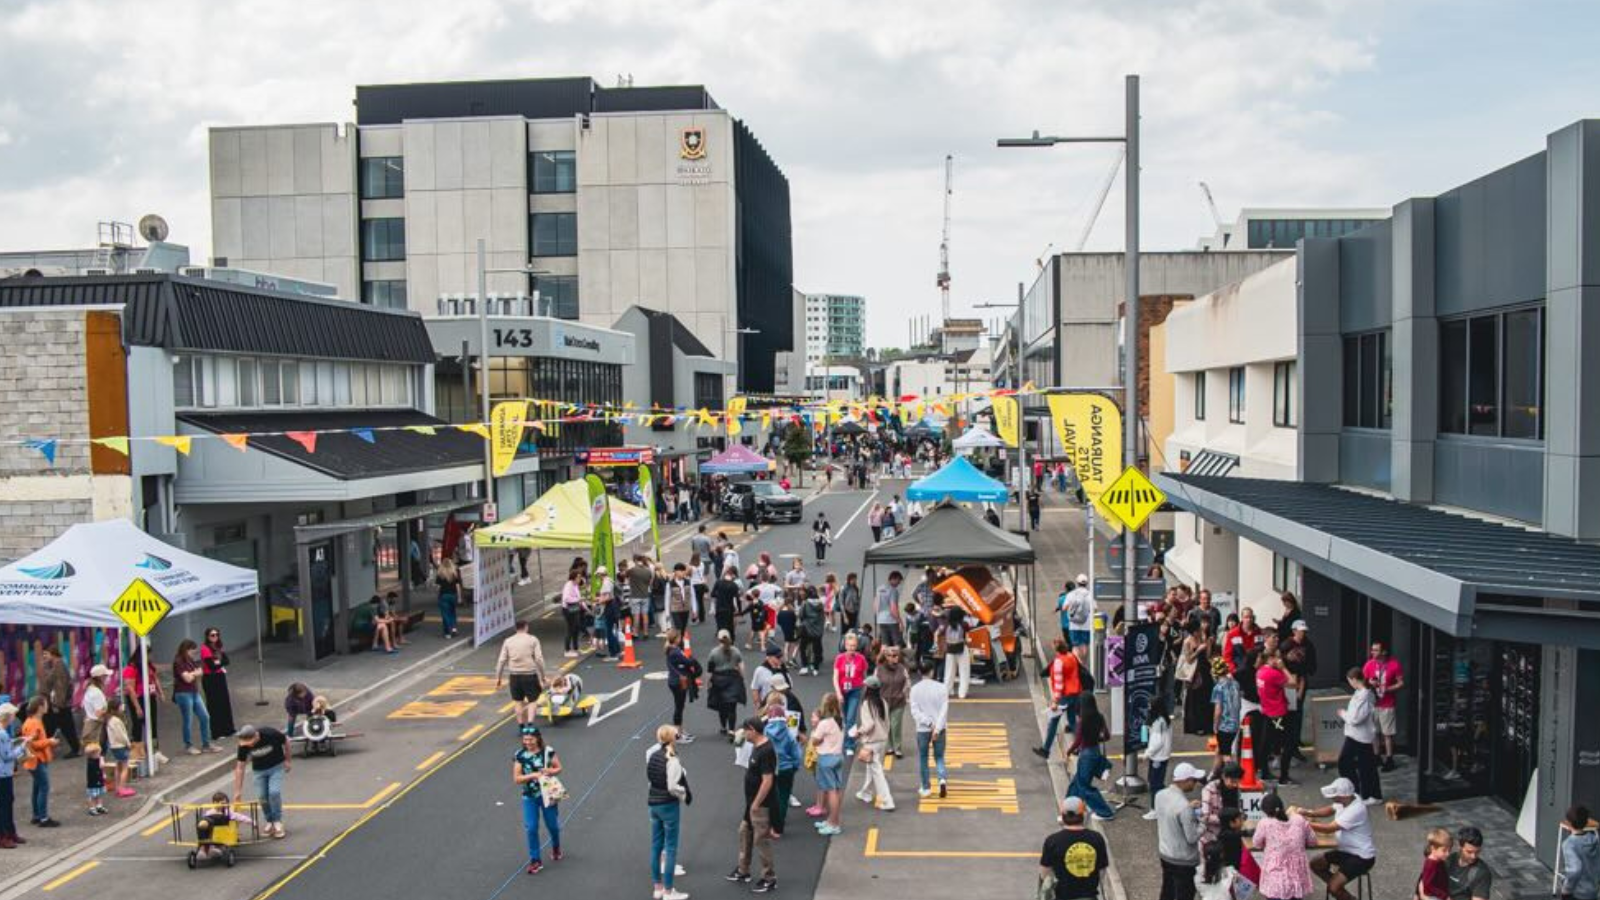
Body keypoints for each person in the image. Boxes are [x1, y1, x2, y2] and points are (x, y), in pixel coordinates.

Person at [1304, 777, 1378, 900]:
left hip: (1361, 857)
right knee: (1315, 864)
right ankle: (1341, 893)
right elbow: (1329, 809)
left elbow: (1329, 828)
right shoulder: (1347, 799)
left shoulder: (1356, 809)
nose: (1333, 798)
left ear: (1344, 796)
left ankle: (1341, 892)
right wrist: (1309, 813)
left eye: (1335, 796)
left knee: (1334, 887)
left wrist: (1304, 823)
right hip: (1346, 851)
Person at [728, 716, 777, 893]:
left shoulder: (765, 751)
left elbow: (768, 780)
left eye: (745, 730)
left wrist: (756, 803)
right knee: (744, 832)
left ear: (753, 730)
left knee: (761, 840)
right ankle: (743, 870)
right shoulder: (757, 747)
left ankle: (769, 878)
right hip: (751, 803)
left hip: (760, 805)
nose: (744, 733)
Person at [647, 725, 692, 900]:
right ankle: (668, 891)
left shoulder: (653, 756)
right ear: (673, 739)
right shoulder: (672, 759)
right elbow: (673, 786)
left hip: (653, 803)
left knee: (656, 846)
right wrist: (684, 793)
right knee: (671, 848)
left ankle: (657, 888)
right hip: (668, 805)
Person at [513, 726, 563, 874]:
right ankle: (535, 860)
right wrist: (533, 775)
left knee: (552, 825)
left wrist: (549, 771)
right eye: (525, 739)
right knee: (531, 827)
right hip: (529, 796)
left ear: (538, 738)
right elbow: (516, 779)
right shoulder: (519, 755)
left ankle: (556, 847)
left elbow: (559, 768)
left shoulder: (548, 752)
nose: (527, 742)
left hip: (547, 793)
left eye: (530, 739)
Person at [1039, 796, 1110, 900]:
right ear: (1084, 815)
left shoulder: (1053, 841)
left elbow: (1044, 872)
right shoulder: (1097, 838)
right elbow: (1102, 869)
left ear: (1062, 816)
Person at [1154, 762, 1207, 900]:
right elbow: (1192, 837)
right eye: (1194, 780)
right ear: (1185, 781)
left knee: (1167, 890)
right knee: (1185, 894)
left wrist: (1188, 808)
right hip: (1183, 860)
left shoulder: (1160, 795)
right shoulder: (1184, 807)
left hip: (1165, 853)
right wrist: (1203, 822)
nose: (1195, 784)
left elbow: (1170, 812)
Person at [1251, 793, 1314, 900]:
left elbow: (1256, 843)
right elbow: (1313, 841)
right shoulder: (1299, 819)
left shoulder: (1265, 823)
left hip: (1275, 880)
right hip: (1297, 879)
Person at [232, 724, 290, 838]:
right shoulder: (243, 746)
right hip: (259, 771)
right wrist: (237, 791)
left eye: (251, 743)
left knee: (274, 792)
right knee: (262, 796)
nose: (249, 746)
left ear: (256, 736)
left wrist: (288, 760)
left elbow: (286, 741)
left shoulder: (270, 733)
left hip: (276, 767)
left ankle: (277, 821)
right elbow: (240, 767)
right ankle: (269, 821)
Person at [1336, 666, 1383, 803]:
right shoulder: (1362, 693)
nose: (1349, 683)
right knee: (1365, 766)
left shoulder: (1364, 696)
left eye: (1349, 681)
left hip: (1359, 736)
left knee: (1348, 763)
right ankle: (1367, 793)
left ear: (1354, 679)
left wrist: (1343, 714)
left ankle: (1361, 792)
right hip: (1358, 735)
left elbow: (1355, 719)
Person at [1066, 693, 1114, 822]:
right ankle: (1069, 807)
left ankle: (1105, 812)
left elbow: (1077, 741)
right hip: (1095, 752)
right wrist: (1096, 738)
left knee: (1084, 786)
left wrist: (1069, 751)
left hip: (1086, 756)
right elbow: (1107, 736)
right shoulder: (1100, 717)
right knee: (1077, 782)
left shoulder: (1082, 721)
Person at [496, 620, 549, 727]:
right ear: (526, 627)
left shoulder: (508, 641)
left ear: (516, 628)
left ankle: (521, 726)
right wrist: (543, 676)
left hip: (514, 676)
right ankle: (530, 724)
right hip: (529, 674)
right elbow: (539, 659)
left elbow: (501, 660)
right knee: (532, 701)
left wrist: (498, 677)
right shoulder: (532, 640)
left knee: (518, 701)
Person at [1036, 639, 1084, 759]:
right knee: (1072, 720)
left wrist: (1055, 701)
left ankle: (1046, 749)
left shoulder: (1058, 662)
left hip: (1064, 696)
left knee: (1053, 722)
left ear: (1056, 649)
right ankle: (1083, 746)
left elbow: (1059, 684)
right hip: (1075, 692)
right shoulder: (1071, 656)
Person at [853, 676, 894, 811]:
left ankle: (887, 801)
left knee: (877, 771)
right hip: (882, 740)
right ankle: (865, 792)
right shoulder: (883, 702)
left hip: (872, 741)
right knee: (871, 768)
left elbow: (868, 724)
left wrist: (858, 733)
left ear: (868, 689)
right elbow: (887, 722)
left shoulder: (866, 704)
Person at [909, 660, 949, 799]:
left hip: (922, 730)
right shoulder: (942, 688)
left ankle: (926, 787)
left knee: (923, 758)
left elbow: (915, 712)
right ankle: (942, 779)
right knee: (939, 756)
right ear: (932, 671)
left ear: (920, 672)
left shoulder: (915, 689)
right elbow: (944, 711)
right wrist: (937, 728)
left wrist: (928, 723)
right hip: (940, 728)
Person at [1362, 640, 1404, 771]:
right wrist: (1370, 683)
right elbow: (1362, 682)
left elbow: (1401, 683)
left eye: (1376, 650)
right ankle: (1376, 757)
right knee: (1374, 732)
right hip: (1373, 704)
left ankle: (1389, 759)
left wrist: (1388, 689)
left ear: (1384, 652)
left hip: (1387, 704)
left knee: (1387, 734)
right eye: (1372, 649)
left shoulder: (1394, 664)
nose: (1372, 652)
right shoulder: (1369, 664)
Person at [808, 694, 846, 836]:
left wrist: (817, 738)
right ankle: (832, 819)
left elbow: (815, 741)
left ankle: (834, 824)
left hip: (826, 758)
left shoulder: (825, 723)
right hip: (838, 756)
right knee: (836, 789)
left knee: (831, 791)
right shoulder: (840, 720)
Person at [172, 639, 218, 755]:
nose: (195, 653)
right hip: (183, 693)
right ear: (187, 649)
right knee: (188, 719)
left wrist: (191, 674)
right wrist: (194, 673)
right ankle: (188, 745)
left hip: (194, 692)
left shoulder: (190, 660)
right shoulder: (179, 661)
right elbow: (187, 679)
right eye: (193, 650)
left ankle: (206, 744)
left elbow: (200, 671)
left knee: (205, 716)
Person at [123, 645, 166, 767]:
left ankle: (154, 750)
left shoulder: (149, 666)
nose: (150, 657)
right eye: (148, 654)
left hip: (150, 696)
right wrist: (137, 707)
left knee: (152, 724)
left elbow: (155, 679)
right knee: (138, 724)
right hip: (137, 698)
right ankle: (137, 751)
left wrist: (160, 693)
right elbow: (130, 688)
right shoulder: (131, 668)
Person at [1256, 648, 1294, 783]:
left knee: (1265, 744)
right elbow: (1292, 683)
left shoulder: (1260, 672)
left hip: (1267, 712)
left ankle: (1265, 772)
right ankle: (1284, 777)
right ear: (1270, 659)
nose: (1279, 660)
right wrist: (1283, 668)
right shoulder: (1273, 674)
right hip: (1278, 713)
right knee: (1288, 744)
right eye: (1277, 658)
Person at [21, 697, 60, 827]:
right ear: (40, 707)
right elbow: (33, 744)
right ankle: (43, 817)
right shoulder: (34, 723)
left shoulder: (31, 721)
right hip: (37, 759)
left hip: (34, 759)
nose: (47, 706)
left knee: (37, 787)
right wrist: (49, 741)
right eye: (45, 704)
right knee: (44, 787)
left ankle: (37, 815)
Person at [1282, 621, 1317, 760]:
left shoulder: (1309, 645)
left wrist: (1303, 676)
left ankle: (1294, 744)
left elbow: (1312, 665)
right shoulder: (1286, 645)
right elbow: (1279, 662)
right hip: (1287, 682)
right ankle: (1284, 743)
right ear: (1294, 631)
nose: (1303, 633)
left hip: (1301, 680)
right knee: (1287, 713)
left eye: (1304, 631)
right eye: (1300, 630)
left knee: (1298, 713)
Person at [39, 647, 79, 758]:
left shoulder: (59, 666)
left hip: (58, 705)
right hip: (54, 704)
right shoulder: (54, 665)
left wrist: (58, 704)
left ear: (53, 654)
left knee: (65, 727)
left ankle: (75, 749)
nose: (44, 657)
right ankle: (44, 748)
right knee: (50, 726)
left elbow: (61, 686)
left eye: (46, 654)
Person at [706, 630, 746, 737]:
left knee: (721, 705)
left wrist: (708, 682)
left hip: (718, 679)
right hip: (733, 678)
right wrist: (742, 678)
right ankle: (732, 730)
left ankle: (723, 727)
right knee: (732, 706)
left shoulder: (713, 653)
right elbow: (741, 666)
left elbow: (710, 670)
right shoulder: (736, 651)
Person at [833, 632, 868, 753]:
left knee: (851, 718)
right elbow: (835, 677)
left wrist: (864, 690)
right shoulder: (839, 658)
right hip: (842, 690)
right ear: (845, 645)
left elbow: (864, 675)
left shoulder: (861, 659)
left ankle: (849, 744)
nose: (851, 648)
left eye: (854, 646)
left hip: (855, 690)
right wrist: (838, 693)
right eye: (849, 645)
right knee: (843, 717)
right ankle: (845, 736)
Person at [1141, 696, 1175, 821]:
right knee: (1158, 782)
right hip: (1164, 756)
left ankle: (1155, 809)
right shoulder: (1166, 720)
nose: (1149, 708)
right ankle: (1162, 805)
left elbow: (1157, 742)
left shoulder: (1157, 723)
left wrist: (1146, 754)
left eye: (1150, 706)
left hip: (1157, 757)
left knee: (1154, 783)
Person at [664, 630, 701, 744]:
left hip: (676, 680)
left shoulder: (674, 650)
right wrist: (692, 660)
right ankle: (677, 734)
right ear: (676, 639)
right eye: (679, 637)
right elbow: (687, 661)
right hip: (678, 682)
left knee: (680, 706)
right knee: (679, 707)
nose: (680, 639)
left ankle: (679, 730)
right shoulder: (675, 652)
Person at [1198, 763, 1244, 853]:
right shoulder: (1209, 790)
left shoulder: (1238, 789)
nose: (1235, 785)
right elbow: (1205, 816)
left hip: (1233, 832)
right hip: (1214, 835)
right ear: (1223, 776)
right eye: (1233, 781)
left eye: (1237, 782)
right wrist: (1226, 820)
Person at [200, 628, 236, 738]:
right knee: (214, 705)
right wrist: (220, 663)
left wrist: (219, 664)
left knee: (225, 702)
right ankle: (217, 732)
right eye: (212, 635)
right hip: (210, 678)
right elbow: (211, 666)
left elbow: (227, 661)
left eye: (216, 635)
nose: (215, 637)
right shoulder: (205, 648)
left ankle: (229, 729)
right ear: (207, 636)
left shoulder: (219, 647)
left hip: (220, 676)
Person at [875, 645, 910, 758]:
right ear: (885, 657)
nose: (892, 658)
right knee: (887, 725)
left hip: (898, 701)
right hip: (883, 701)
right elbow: (874, 684)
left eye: (895, 655)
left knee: (896, 725)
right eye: (889, 655)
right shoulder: (879, 669)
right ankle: (890, 747)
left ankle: (897, 748)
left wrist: (904, 695)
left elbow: (907, 683)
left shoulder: (902, 669)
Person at [1559, 806, 1599, 900]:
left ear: (1569, 823)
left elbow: (1575, 870)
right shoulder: (1595, 839)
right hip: (1594, 891)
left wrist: (1566, 889)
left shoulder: (1569, 844)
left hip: (1577, 893)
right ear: (1586, 822)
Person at [1446, 826, 1493, 900]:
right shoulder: (1449, 860)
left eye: (1477, 852)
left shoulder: (1482, 873)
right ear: (1460, 846)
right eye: (1469, 852)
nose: (1473, 856)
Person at [939, 605, 973, 699]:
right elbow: (972, 626)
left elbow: (940, 632)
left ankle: (947, 691)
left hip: (950, 649)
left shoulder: (946, 624)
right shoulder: (964, 624)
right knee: (964, 671)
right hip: (961, 649)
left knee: (949, 671)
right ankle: (962, 693)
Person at [0, 703, 22, 848]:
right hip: (3, 773)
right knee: (5, 804)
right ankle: (4, 835)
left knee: (7, 802)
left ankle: (10, 832)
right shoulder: (2, 734)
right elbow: (7, 755)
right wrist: (21, 748)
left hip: (4, 772)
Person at [104, 697, 134, 798]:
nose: (122, 707)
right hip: (120, 746)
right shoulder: (116, 721)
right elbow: (122, 735)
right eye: (121, 705)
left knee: (118, 766)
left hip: (113, 746)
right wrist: (128, 743)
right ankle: (122, 788)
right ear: (116, 708)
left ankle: (117, 787)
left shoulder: (109, 720)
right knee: (125, 768)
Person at [79, 664, 112, 749]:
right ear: (100, 677)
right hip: (97, 728)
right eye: (105, 676)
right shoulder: (96, 692)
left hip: (91, 725)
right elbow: (99, 713)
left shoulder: (90, 690)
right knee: (98, 753)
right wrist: (111, 708)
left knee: (94, 755)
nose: (107, 678)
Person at [797, 586, 826, 675]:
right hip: (817, 630)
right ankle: (815, 668)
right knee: (816, 649)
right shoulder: (820, 604)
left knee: (803, 647)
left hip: (807, 628)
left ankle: (805, 666)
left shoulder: (805, 603)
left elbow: (801, 615)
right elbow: (823, 617)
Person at [1418, 828, 1453, 900]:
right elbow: (1428, 885)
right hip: (1433, 896)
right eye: (1444, 850)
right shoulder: (1431, 864)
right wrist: (1444, 896)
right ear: (1433, 848)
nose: (1448, 854)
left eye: (1449, 850)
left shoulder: (1439, 859)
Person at [1224, 607, 1261, 674]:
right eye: (1246, 617)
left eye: (1251, 617)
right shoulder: (1233, 634)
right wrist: (1232, 670)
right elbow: (1227, 655)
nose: (1249, 619)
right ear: (1242, 618)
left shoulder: (1259, 632)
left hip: (1256, 669)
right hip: (1239, 670)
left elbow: (1263, 650)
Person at [1060, 575, 1093, 646]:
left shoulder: (1071, 594)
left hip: (1073, 624)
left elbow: (1064, 608)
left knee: (1075, 645)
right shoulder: (1090, 594)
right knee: (1084, 645)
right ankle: (1083, 657)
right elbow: (1095, 609)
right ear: (1086, 583)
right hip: (1086, 625)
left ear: (1077, 583)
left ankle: (1076, 657)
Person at [561, 570, 587, 658]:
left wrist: (584, 606)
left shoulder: (575, 585)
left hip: (575, 609)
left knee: (576, 629)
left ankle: (576, 648)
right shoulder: (569, 585)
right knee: (570, 629)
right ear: (574, 577)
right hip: (568, 610)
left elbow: (578, 597)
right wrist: (578, 601)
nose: (580, 579)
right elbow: (566, 598)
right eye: (578, 577)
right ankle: (567, 650)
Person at [875, 570, 904, 647]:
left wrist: (878, 615)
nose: (899, 583)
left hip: (881, 619)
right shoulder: (893, 590)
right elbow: (893, 608)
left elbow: (875, 604)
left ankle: (882, 659)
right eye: (899, 580)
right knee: (896, 643)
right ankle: (896, 659)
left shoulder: (879, 588)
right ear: (894, 578)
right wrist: (900, 621)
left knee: (884, 644)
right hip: (891, 620)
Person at [83, 741, 106, 817]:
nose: (100, 755)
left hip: (99, 780)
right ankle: (92, 808)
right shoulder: (91, 762)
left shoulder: (96, 760)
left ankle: (99, 806)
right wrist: (102, 760)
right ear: (92, 754)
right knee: (93, 796)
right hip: (93, 782)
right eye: (98, 753)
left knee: (99, 794)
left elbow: (101, 770)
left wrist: (103, 774)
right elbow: (101, 766)